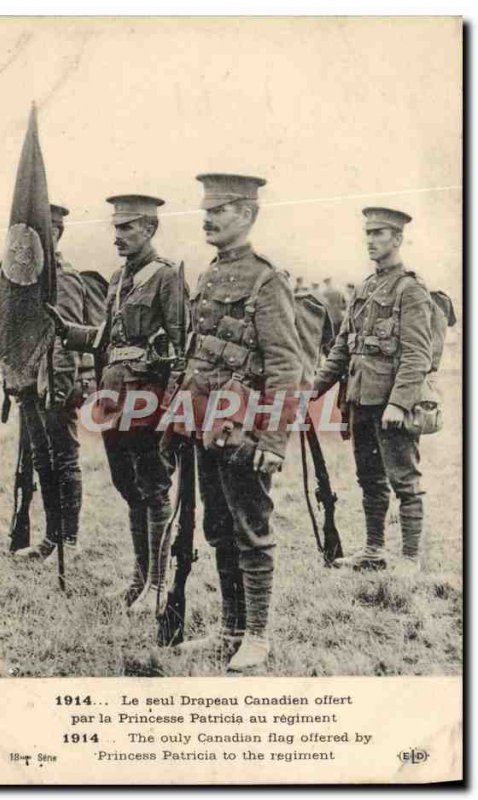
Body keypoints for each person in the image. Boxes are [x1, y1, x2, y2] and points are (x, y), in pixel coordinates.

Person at [176, 173, 303, 672]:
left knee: (251, 528)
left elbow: (285, 365)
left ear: (248, 215)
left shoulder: (267, 280)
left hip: (246, 427)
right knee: (218, 527)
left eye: (221, 209)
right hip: (208, 422)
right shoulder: (209, 274)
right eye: (206, 208)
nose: (207, 217)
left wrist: (273, 437)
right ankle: (228, 631)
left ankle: (256, 635)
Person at [47, 195, 185, 614]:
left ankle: (159, 586)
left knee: (155, 487)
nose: (118, 236)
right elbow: (107, 338)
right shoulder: (117, 278)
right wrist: (66, 329)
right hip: (114, 398)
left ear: (150, 229)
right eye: (116, 227)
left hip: (148, 399)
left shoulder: (167, 277)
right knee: (129, 488)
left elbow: (182, 347)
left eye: (127, 227)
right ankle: (139, 581)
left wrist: (173, 410)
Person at [312, 208, 433, 574]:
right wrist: (314, 390)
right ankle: (374, 551)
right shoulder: (365, 287)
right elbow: (343, 347)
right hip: (361, 400)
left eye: (379, 233)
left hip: (391, 404)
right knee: (370, 479)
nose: (371, 239)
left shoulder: (410, 289)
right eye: (368, 233)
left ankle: (410, 558)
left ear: (397, 239)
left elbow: (417, 354)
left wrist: (399, 403)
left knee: (404, 479)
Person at [14, 204, 89, 560]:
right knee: (43, 461)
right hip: (29, 382)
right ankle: (50, 539)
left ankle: (68, 543)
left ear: (56, 233)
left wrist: (58, 390)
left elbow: (68, 337)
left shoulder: (64, 276)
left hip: (55, 384)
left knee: (64, 460)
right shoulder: (24, 276)